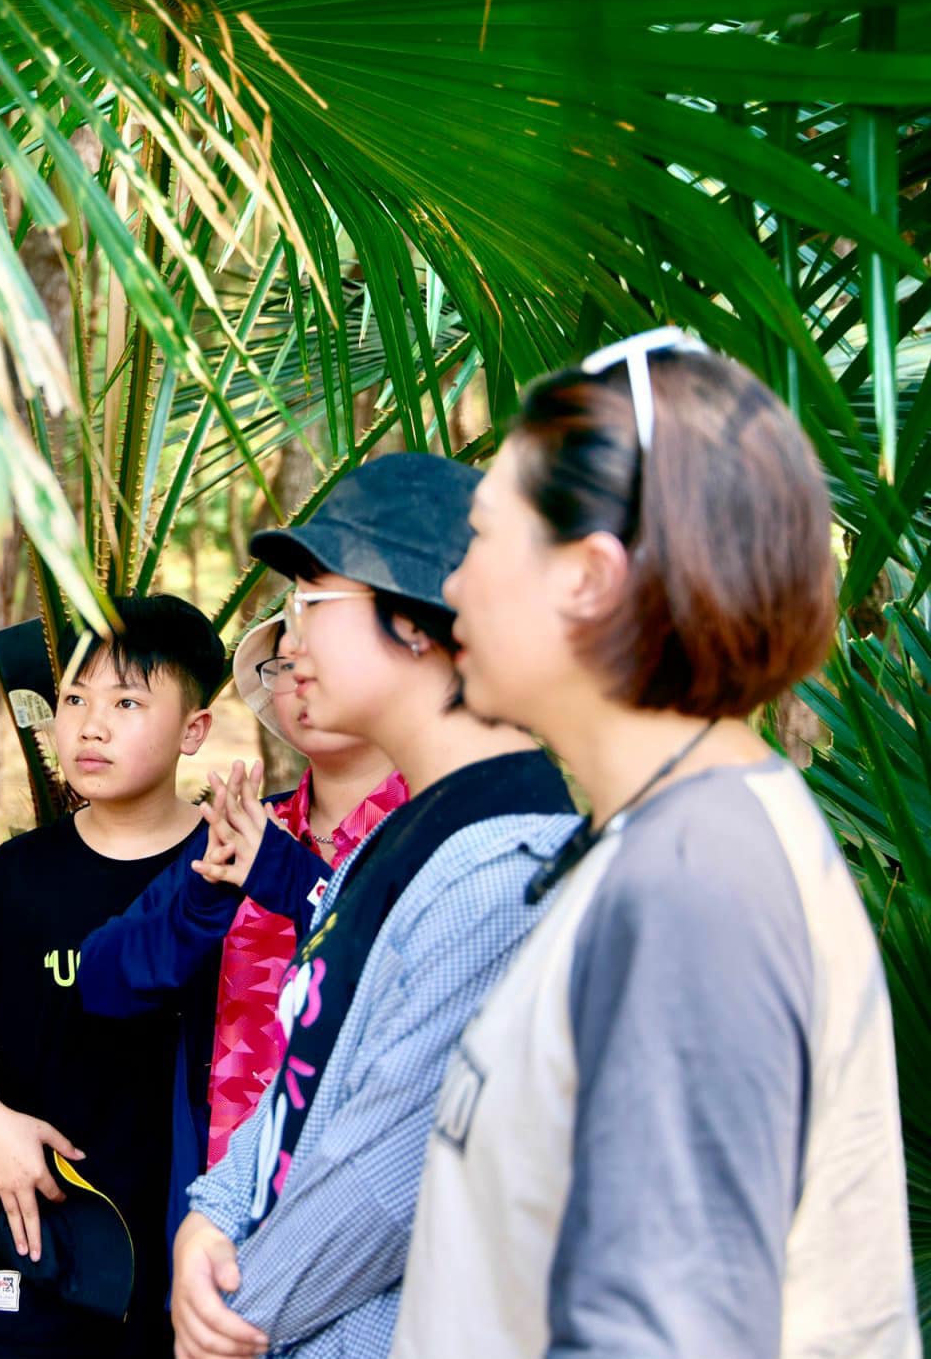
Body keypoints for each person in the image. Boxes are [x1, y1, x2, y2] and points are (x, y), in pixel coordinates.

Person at [393, 331, 917, 1356]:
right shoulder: (663, 841)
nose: (450, 582)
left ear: (587, 575)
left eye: (481, 536)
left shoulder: (696, 887)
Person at [153, 454, 579, 1359]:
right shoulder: (396, 839)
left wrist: (231, 1312)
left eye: (313, 601)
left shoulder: (510, 860)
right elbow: (301, 1081)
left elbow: (388, 1183)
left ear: (420, 618)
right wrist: (209, 1220)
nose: (290, 643)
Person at [0, 594, 228, 1357]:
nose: (91, 724)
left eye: (127, 701)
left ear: (194, 730)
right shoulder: (19, 874)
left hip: (192, 1228)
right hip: (42, 1217)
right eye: (74, 699)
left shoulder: (226, 870)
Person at [75, 615, 405, 1251]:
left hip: (368, 1228)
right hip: (218, 1226)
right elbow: (101, 980)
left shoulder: (433, 834)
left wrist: (304, 885)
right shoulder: (240, 830)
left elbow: (413, 984)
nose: (302, 672)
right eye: (284, 663)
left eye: (326, 652)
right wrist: (198, 902)